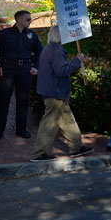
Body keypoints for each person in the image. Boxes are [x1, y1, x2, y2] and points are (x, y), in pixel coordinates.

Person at [29, 25, 93, 162]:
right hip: (55, 92)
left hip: (52, 91)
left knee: (68, 121)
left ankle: (76, 148)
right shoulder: (56, 50)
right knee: (49, 123)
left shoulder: (48, 49)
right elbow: (61, 70)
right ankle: (39, 153)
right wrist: (77, 61)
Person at [0, 10, 43, 141]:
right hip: (7, 70)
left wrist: (35, 67)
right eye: (28, 19)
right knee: (2, 102)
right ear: (19, 20)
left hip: (25, 71)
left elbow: (40, 52)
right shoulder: (4, 34)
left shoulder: (32, 35)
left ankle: (21, 129)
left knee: (23, 101)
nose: (30, 21)